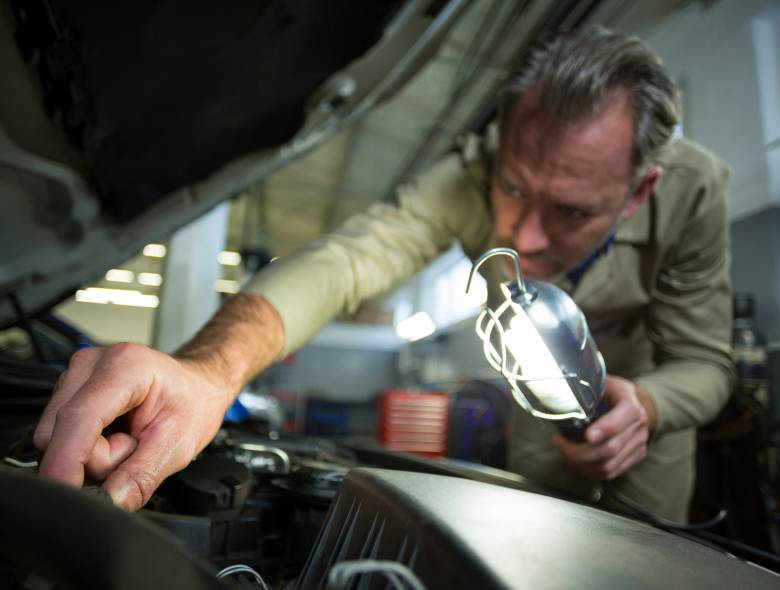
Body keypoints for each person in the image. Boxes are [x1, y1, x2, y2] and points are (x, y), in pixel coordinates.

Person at [33, 26, 733, 521]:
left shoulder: (693, 193)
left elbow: (705, 360)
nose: (521, 236)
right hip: (540, 425)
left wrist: (650, 405)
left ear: (639, 191)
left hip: (642, 437)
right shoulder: (468, 173)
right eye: (513, 189)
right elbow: (342, 263)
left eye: (573, 210)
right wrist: (209, 372)